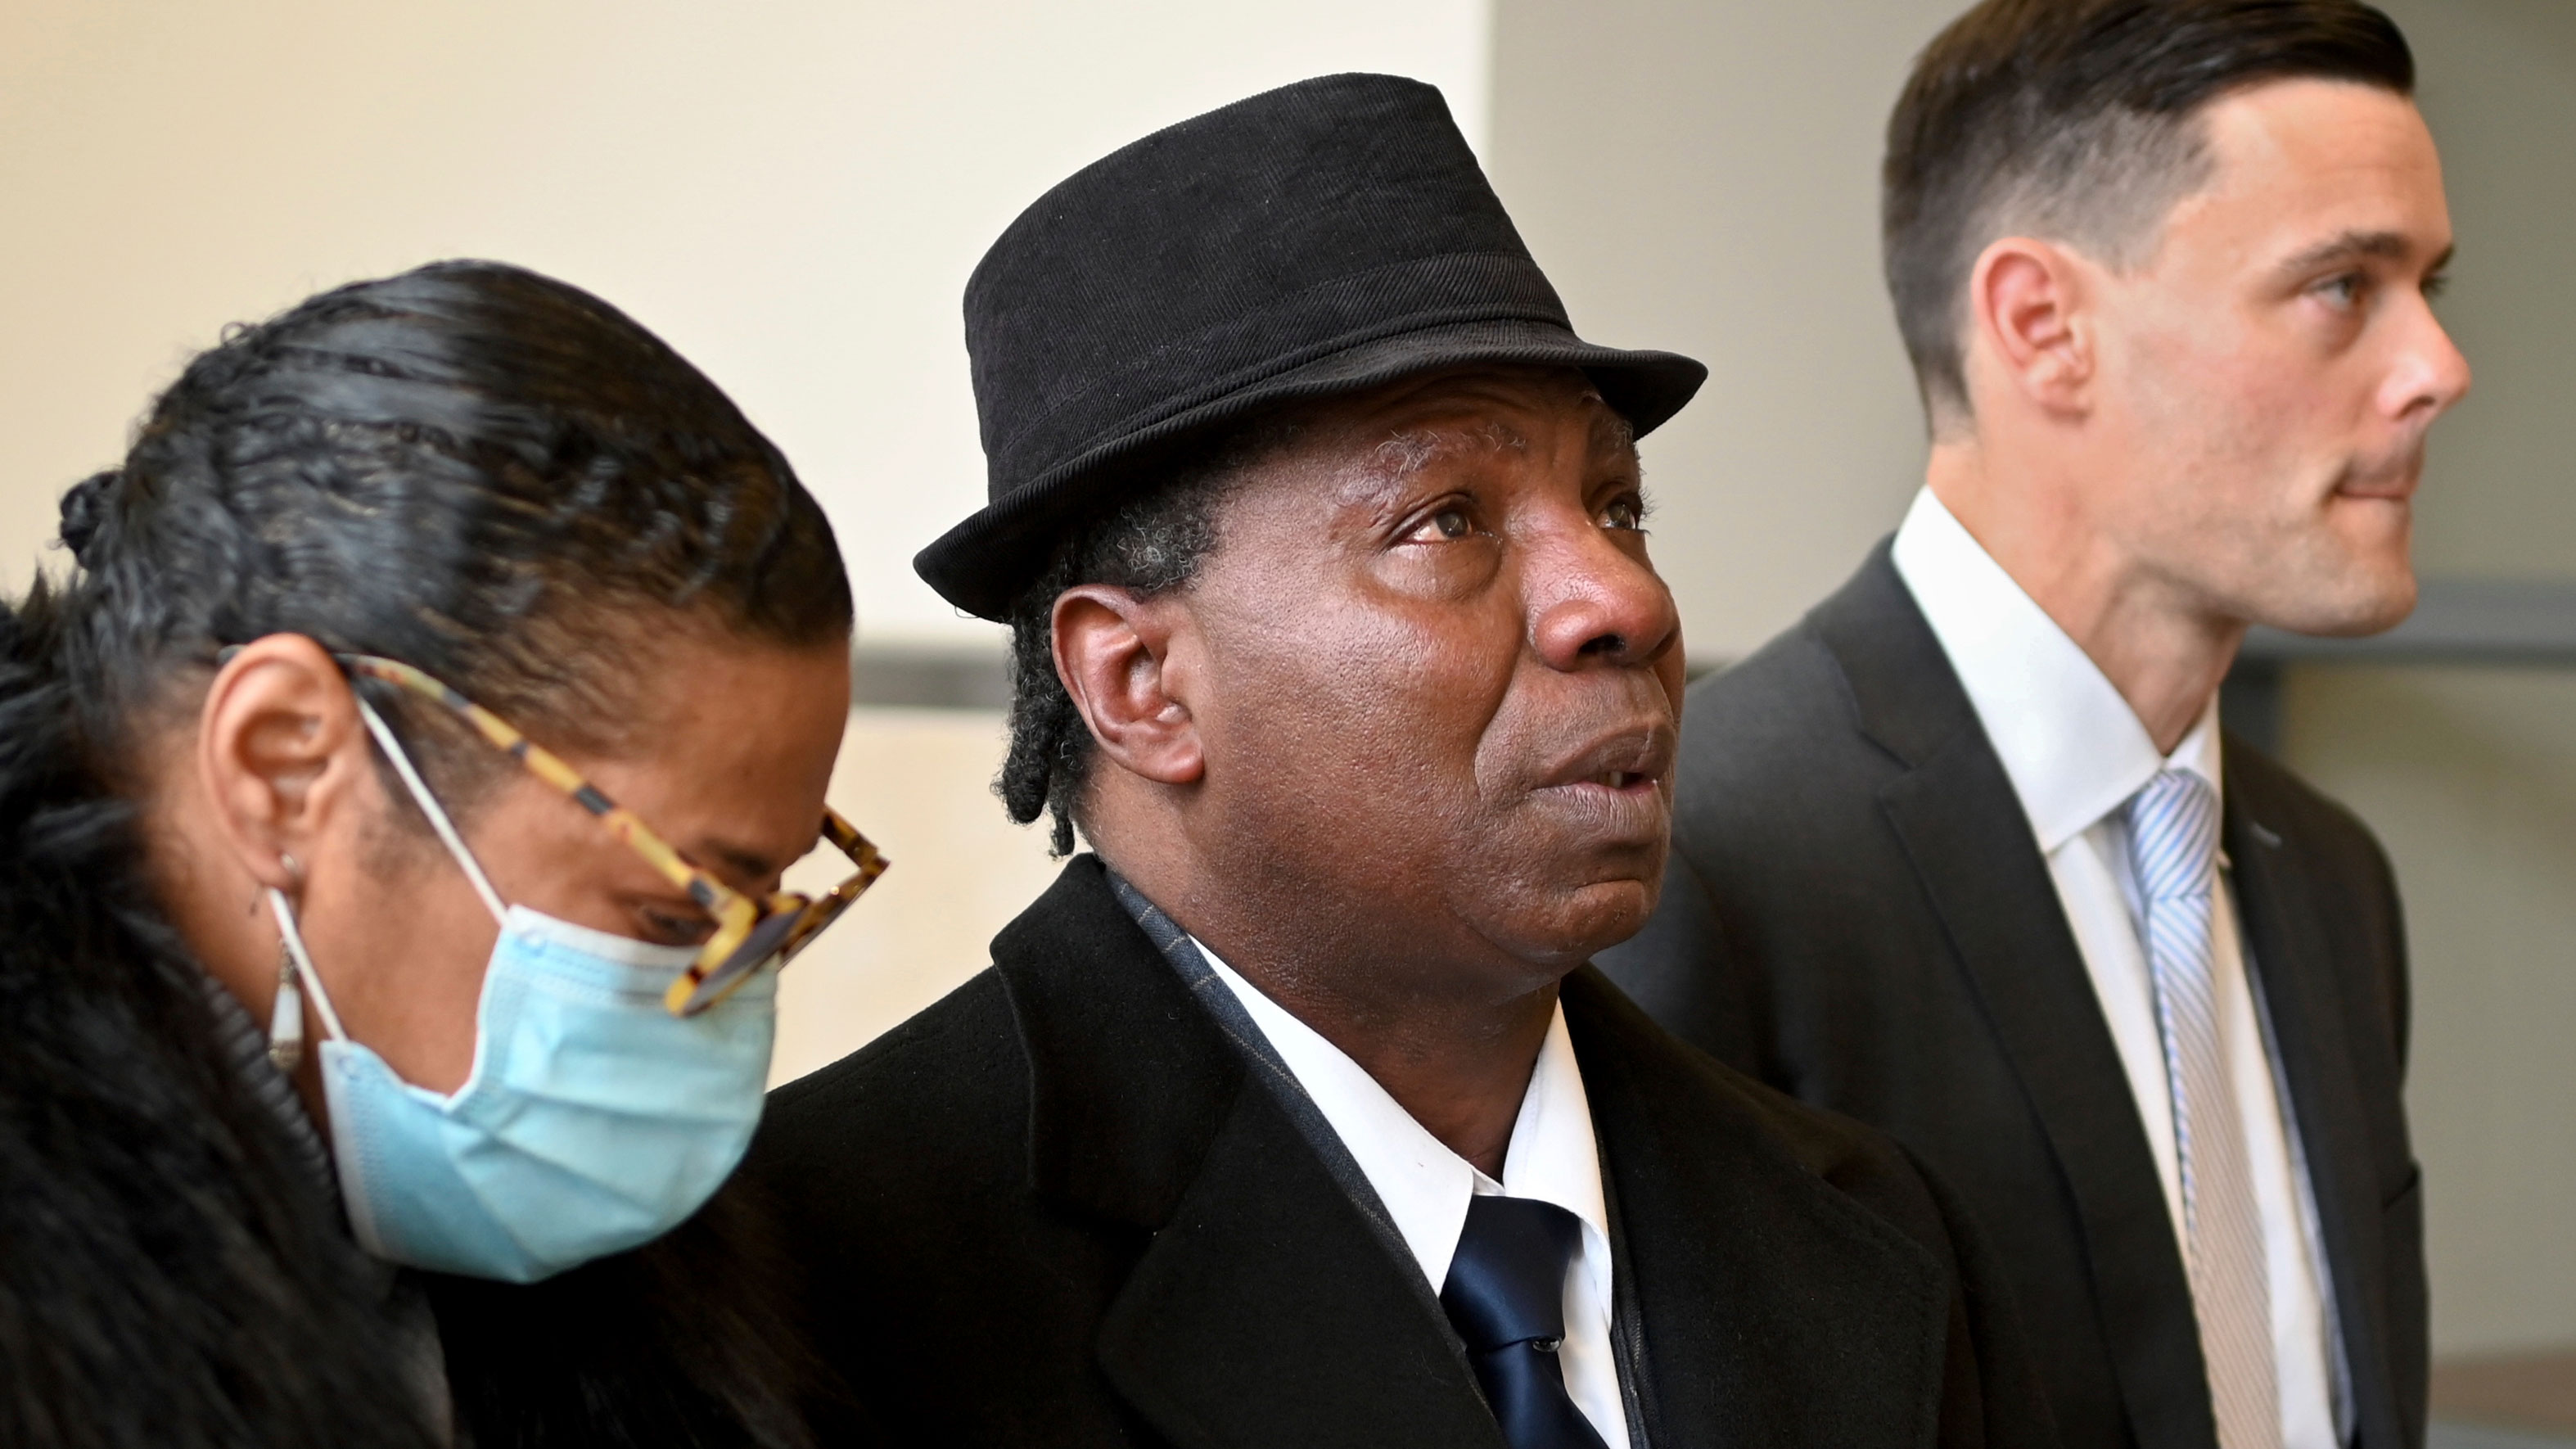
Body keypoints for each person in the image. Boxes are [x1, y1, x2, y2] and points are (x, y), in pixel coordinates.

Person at [741, 73, 2054, 1449]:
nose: (1622, 599)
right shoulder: (812, 1289)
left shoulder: (1877, 1234)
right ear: (1142, 685)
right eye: (1446, 520)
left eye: (1618, 503)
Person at [1599, 4, 2467, 1449]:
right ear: (2042, 328)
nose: (2437, 364)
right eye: (2339, 286)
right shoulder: (1704, 857)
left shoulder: (2329, 877)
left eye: (2432, 284)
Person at [0, 260, 883, 1448]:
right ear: (285, 765)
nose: (725, 1013)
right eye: (676, 911)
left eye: (764, 915)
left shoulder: (550, 1280)